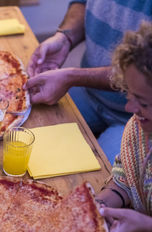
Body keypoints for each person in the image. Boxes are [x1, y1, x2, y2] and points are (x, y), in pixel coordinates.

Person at [25, 0, 151, 164]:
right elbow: (82, 2)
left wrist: (73, 77)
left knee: (103, 177)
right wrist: (65, 37)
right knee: (21, 128)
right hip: (88, 91)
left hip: (136, 118)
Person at [94, 22, 152, 232]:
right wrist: (101, 205)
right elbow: (127, 177)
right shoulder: (139, 130)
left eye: (143, 103)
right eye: (129, 94)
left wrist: (145, 224)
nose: (130, 109)